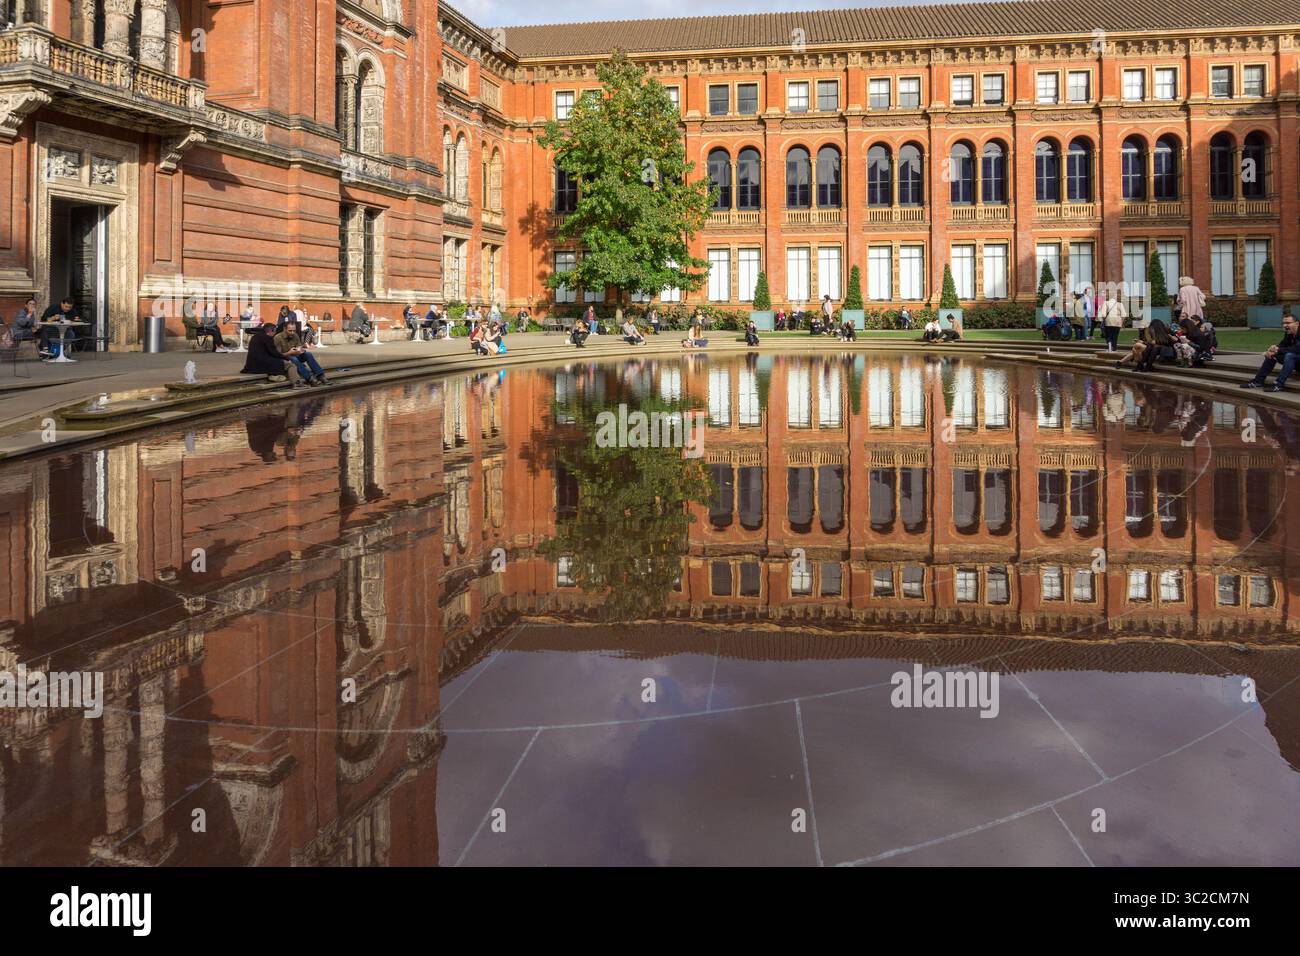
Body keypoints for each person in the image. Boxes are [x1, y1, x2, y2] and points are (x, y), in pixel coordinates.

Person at [1241, 312, 1300, 391]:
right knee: (1272, 355)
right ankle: (1258, 381)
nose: (1285, 325)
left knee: (1289, 355)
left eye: (1288, 323)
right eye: (1283, 323)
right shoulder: (1289, 333)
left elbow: (1297, 349)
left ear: (1296, 323)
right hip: (1296, 361)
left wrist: (1277, 350)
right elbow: (1282, 345)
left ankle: (1279, 385)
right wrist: (1272, 350)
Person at [242, 322, 305, 387]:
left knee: (280, 363)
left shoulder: (255, 337)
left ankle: (275, 375)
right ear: (272, 331)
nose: (275, 333)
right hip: (261, 365)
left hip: (251, 365)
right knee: (291, 365)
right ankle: (296, 383)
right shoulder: (267, 338)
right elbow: (275, 353)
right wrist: (287, 357)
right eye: (275, 331)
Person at [274, 320, 328, 385]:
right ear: (285, 329)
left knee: (308, 354)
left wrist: (300, 350)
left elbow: (299, 346)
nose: (292, 333)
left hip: (295, 356)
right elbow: (278, 355)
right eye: (290, 331)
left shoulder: (295, 335)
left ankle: (320, 375)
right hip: (285, 358)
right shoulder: (278, 338)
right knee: (293, 358)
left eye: (294, 330)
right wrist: (289, 352)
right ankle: (309, 378)